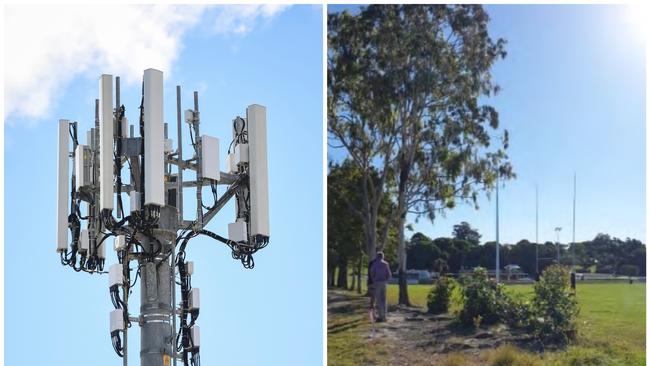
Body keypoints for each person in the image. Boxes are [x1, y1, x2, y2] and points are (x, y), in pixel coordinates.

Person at [369, 252, 392, 322]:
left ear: (377, 257)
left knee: (378, 300)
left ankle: (380, 316)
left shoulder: (374, 264)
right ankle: (384, 316)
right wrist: (386, 280)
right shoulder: (386, 264)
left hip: (377, 282)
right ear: (382, 257)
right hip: (384, 282)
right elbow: (389, 274)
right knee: (384, 299)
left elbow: (371, 272)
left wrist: (373, 280)